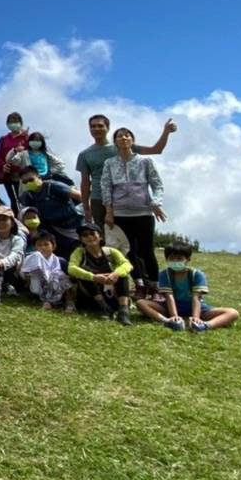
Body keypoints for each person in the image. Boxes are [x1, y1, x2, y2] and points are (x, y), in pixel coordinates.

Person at [100, 127, 166, 300]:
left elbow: (157, 184)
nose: (124, 138)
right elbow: (106, 187)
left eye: (127, 135)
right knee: (129, 252)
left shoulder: (145, 161)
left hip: (143, 212)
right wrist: (109, 211)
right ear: (114, 141)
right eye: (120, 136)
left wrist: (155, 203)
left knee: (147, 251)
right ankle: (139, 285)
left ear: (132, 140)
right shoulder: (109, 163)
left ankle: (155, 287)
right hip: (120, 214)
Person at [75, 114, 174, 228]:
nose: (96, 129)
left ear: (107, 128)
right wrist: (86, 208)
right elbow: (85, 183)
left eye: (100, 126)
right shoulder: (85, 155)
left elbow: (156, 149)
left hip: (124, 200)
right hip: (98, 199)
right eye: (93, 126)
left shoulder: (122, 144)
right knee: (103, 235)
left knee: (126, 236)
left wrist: (166, 132)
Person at [135, 242, 239, 331]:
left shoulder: (197, 275)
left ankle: (204, 325)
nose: (175, 261)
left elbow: (196, 298)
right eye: (172, 258)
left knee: (233, 313)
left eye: (179, 258)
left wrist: (195, 317)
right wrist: (174, 316)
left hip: (198, 309)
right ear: (167, 259)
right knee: (141, 303)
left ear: (187, 260)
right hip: (170, 307)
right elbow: (169, 296)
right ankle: (167, 321)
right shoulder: (164, 274)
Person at [67, 224, 134, 325]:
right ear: (81, 239)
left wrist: (115, 274)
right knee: (83, 270)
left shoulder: (111, 251)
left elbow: (127, 264)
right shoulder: (79, 252)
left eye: (92, 233)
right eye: (85, 235)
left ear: (100, 236)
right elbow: (71, 268)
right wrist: (93, 277)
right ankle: (104, 307)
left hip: (112, 293)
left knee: (122, 273)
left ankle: (123, 312)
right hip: (91, 296)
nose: (89, 237)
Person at [16, 166, 82, 258]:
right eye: (25, 182)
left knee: (80, 254)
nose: (28, 183)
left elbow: (80, 196)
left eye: (31, 179)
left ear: (39, 177)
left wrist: (89, 214)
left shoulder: (53, 186)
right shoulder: (27, 197)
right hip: (52, 232)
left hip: (73, 227)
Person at [20, 231, 76, 312]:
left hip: (56, 287)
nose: (43, 247)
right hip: (37, 286)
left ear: (53, 246)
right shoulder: (32, 257)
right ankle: (49, 301)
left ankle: (68, 303)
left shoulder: (60, 261)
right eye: (39, 245)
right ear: (35, 247)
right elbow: (25, 275)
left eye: (46, 244)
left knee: (58, 274)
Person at [0, 112, 28, 209]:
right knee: (13, 200)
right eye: (10, 122)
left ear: (21, 122)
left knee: (25, 198)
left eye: (15, 121)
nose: (13, 124)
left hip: (24, 174)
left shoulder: (26, 137)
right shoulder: (4, 139)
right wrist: (3, 166)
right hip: (9, 174)